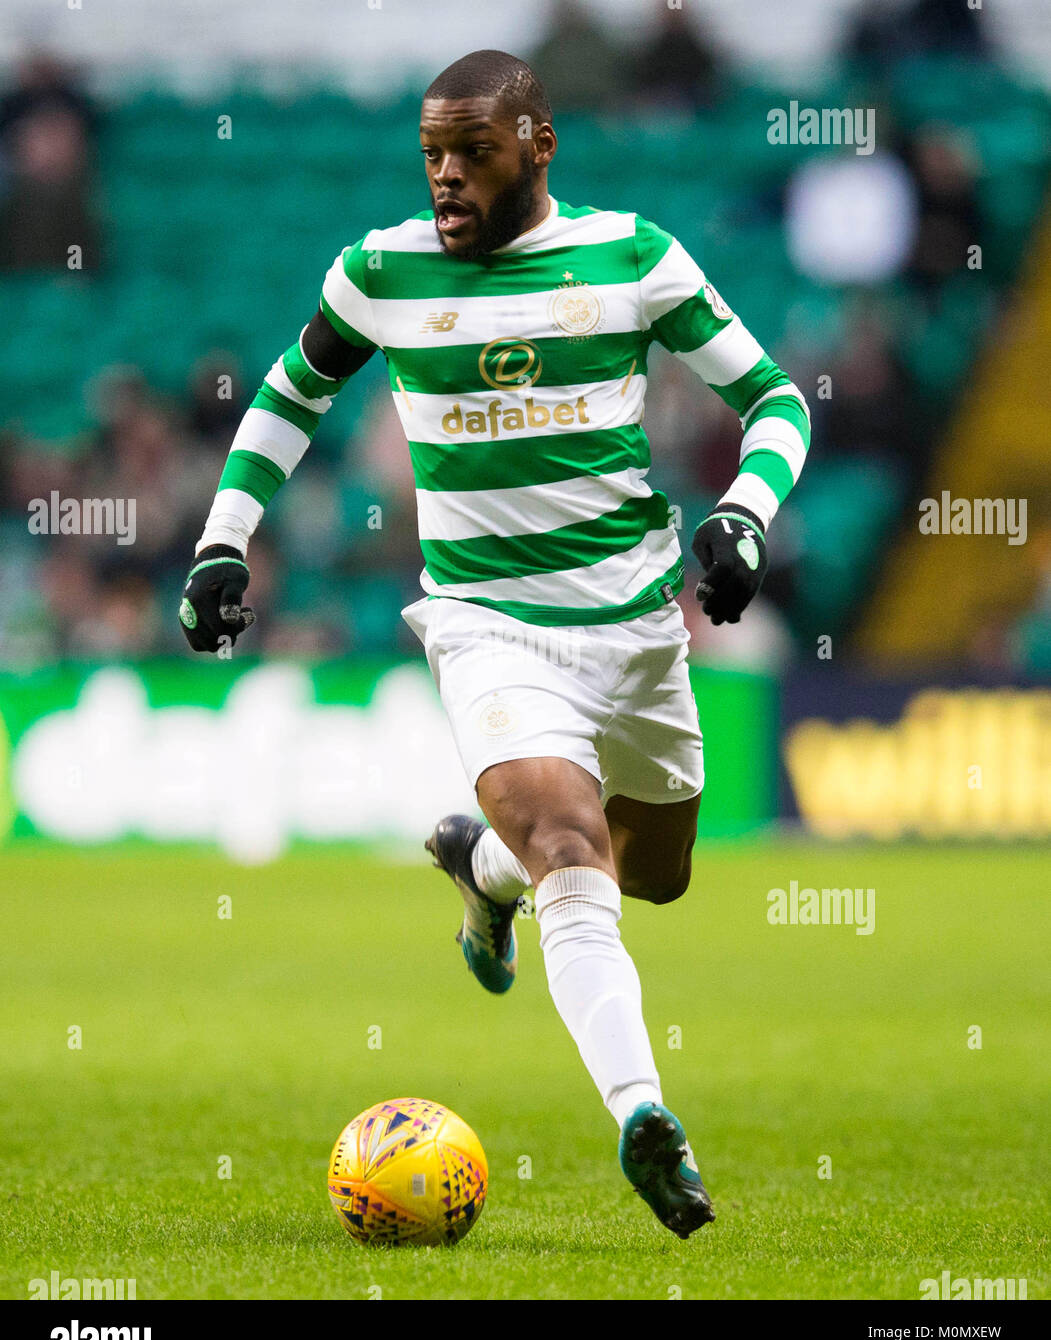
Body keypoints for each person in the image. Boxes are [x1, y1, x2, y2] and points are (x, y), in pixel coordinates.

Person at [178, 50, 810, 1239]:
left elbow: (778, 397)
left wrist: (742, 514)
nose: (447, 180)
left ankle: (484, 874)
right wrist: (224, 540)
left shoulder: (633, 257)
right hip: (488, 624)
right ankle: (641, 1116)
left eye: (473, 154)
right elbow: (287, 396)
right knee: (572, 841)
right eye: (431, 157)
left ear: (540, 146)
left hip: (631, 627)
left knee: (653, 869)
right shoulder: (380, 269)